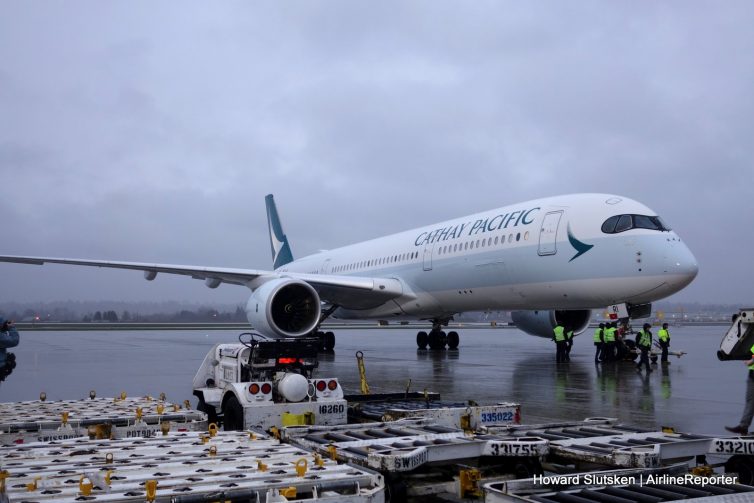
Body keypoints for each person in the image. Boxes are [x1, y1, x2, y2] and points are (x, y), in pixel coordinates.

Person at [726, 343, 754, 435]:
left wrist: (752, 360)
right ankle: (743, 427)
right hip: (752, 376)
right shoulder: (751, 340)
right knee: (750, 401)